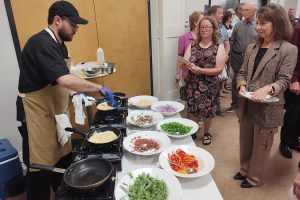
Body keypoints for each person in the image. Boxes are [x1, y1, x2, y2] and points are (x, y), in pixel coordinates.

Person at [16, 1, 114, 199]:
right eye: (73, 25)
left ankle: (63, 194)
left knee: (63, 161)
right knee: (40, 172)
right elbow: (63, 78)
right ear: (57, 20)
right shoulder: (41, 42)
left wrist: (75, 93)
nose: (76, 29)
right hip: (36, 116)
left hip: (53, 113)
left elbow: (55, 79)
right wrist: (98, 87)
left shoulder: (59, 46)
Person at [234, 4, 297, 188]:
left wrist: (268, 89)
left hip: (269, 106)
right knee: (245, 139)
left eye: (262, 23)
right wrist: (241, 84)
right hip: (247, 102)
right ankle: (245, 169)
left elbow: (284, 80)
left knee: (262, 144)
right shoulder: (252, 47)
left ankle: (254, 177)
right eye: (257, 23)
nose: (258, 27)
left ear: (276, 24)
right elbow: (241, 72)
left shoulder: (288, 49)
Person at [182, 16, 226, 145]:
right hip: (192, 84)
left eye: (207, 27)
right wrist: (187, 65)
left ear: (213, 29)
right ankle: (193, 131)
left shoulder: (219, 47)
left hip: (209, 85)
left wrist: (200, 70)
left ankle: (207, 132)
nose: (204, 29)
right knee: (192, 109)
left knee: (207, 111)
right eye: (202, 27)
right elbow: (183, 63)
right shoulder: (192, 45)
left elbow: (219, 69)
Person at [226, 3, 257, 113]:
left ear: (254, 11)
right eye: (243, 10)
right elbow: (232, 40)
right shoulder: (238, 25)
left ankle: (247, 106)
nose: (244, 12)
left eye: (247, 10)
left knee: (250, 80)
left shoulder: (258, 26)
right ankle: (235, 104)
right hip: (237, 57)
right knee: (235, 80)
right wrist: (229, 55)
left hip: (252, 59)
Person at [279, 23, 300, 159]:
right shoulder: (297, 30)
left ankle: (294, 140)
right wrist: (293, 79)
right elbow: (289, 56)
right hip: (296, 81)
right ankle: (285, 143)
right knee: (293, 113)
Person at [208, 5, 230, 117]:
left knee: (217, 85)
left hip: (219, 61)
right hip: (207, 62)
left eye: (222, 13)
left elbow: (227, 43)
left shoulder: (222, 28)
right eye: (220, 13)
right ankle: (206, 110)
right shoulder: (205, 26)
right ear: (212, 14)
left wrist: (226, 55)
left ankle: (217, 108)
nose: (222, 15)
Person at [175, 11, 204, 83]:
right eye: (202, 20)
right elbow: (180, 57)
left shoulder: (205, 36)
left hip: (203, 74)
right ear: (195, 22)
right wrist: (177, 74)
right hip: (188, 75)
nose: (204, 22)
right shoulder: (184, 37)